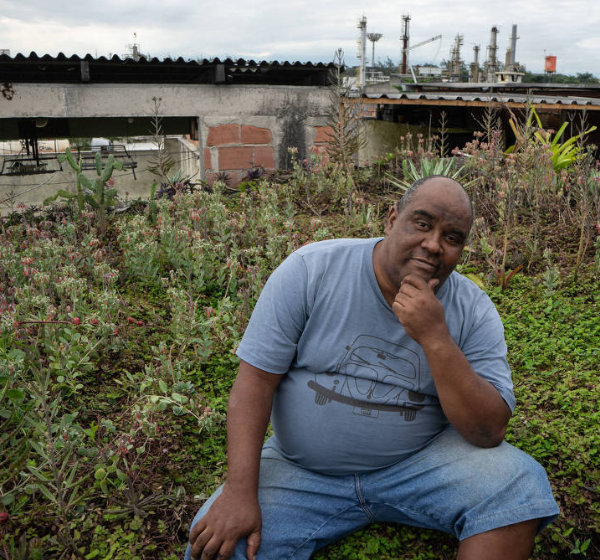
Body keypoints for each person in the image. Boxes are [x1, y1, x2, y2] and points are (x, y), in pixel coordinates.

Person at [185, 176, 559, 560]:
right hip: (301, 471)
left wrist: (435, 337)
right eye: (423, 223)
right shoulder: (310, 270)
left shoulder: (473, 309)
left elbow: (488, 430)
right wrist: (239, 492)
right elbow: (254, 384)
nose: (433, 245)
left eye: (452, 237)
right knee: (215, 549)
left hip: (420, 466)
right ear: (391, 218)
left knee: (520, 487)